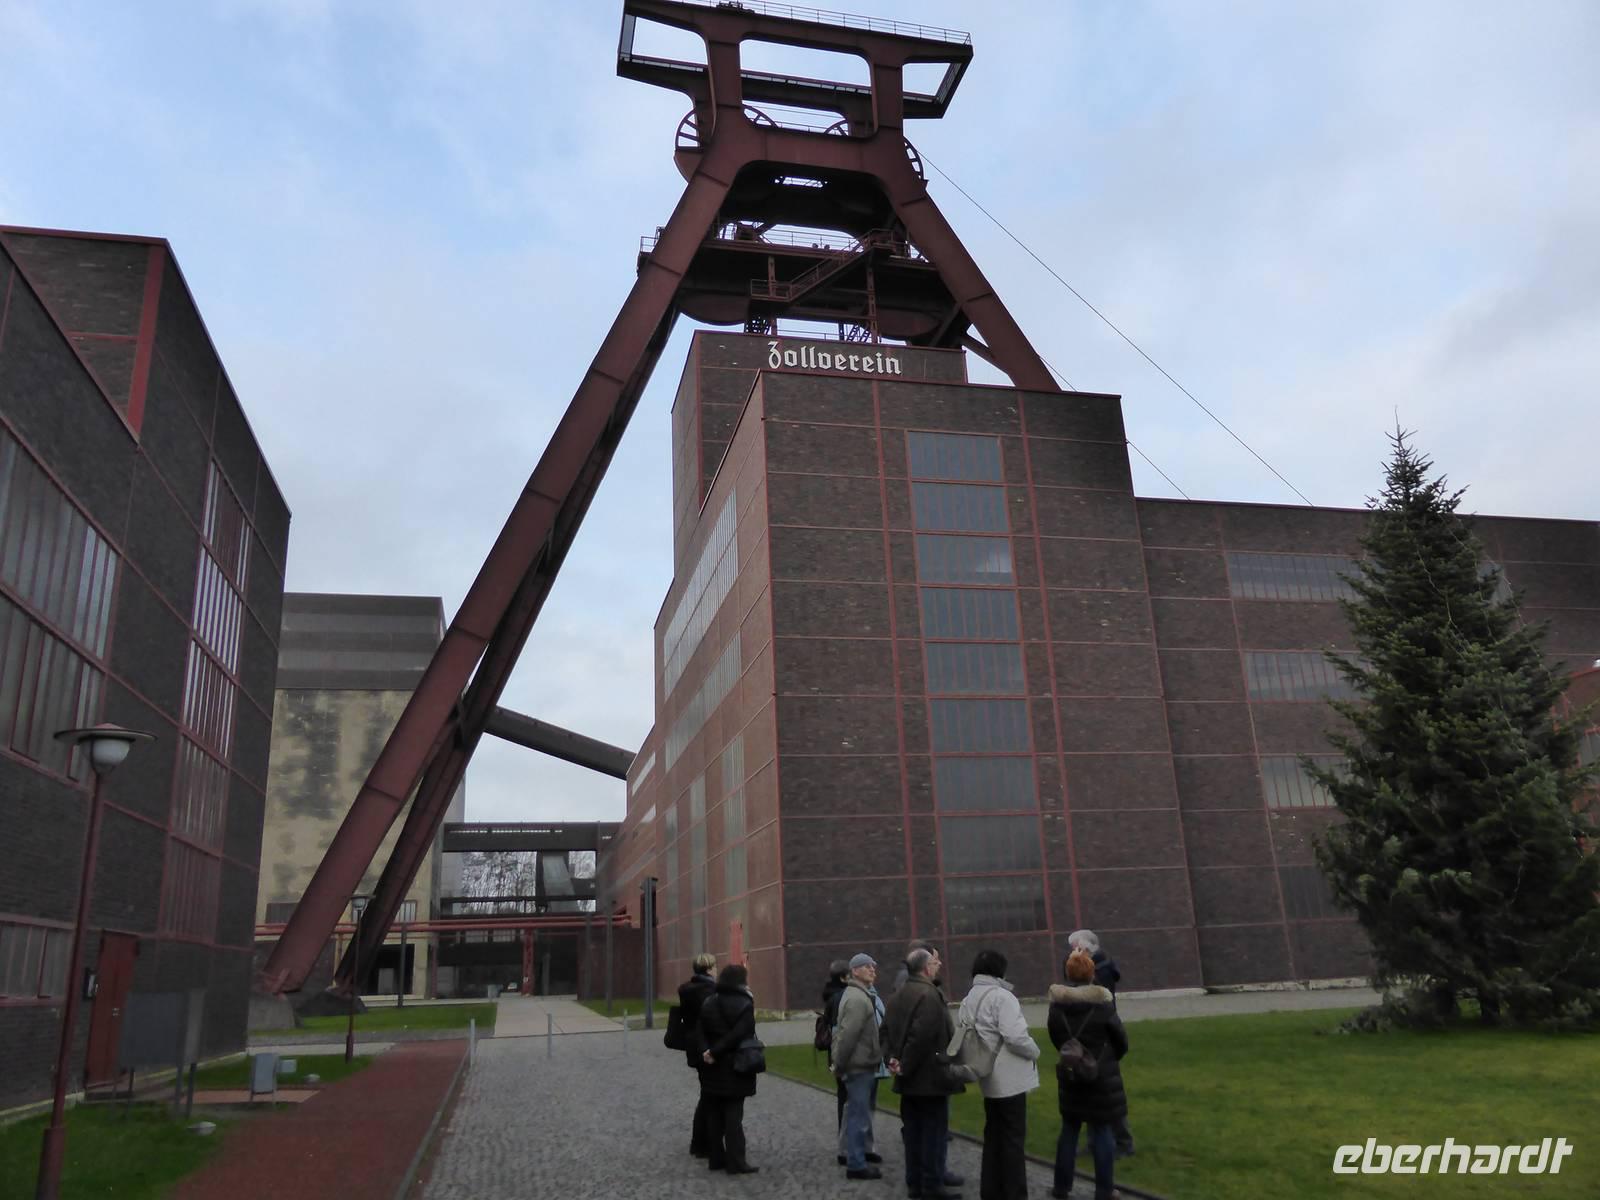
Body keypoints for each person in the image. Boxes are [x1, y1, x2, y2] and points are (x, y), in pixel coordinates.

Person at [1047, 950, 1129, 1200]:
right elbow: (1121, 1040)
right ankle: (1104, 1190)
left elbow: (1056, 1039)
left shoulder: (1057, 1008)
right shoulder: (1103, 1006)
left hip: (1071, 1074)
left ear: (1068, 974)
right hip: (1100, 1076)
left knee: (1069, 1130)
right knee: (1102, 1131)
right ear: (1092, 973)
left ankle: (1062, 1187)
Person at [959, 949, 1039, 1200]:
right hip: (1010, 1078)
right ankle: (1015, 1193)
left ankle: (991, 1191)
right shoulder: (1002, 997)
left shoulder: (968, 998)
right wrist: (1034, 1051)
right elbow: (1015, 1037)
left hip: (986, 1074)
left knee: (993, 1137)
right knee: (1013, 1140)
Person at [885, 946, 964, 1200]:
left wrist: (893, 1061)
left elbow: (884, 1032)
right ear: (925, 967)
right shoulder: (929, 995)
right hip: (929, 1078)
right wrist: (905, 1063)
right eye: (934, 962)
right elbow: (922, 1036)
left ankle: (915, 1183)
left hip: (909, 1079)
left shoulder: (898, 994)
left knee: (914, 1133)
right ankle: (931, 1185)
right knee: (932, 1133)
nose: (938, 965)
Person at [1067, 929, 1132, 1158]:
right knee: (1095, 1098)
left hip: (1101, 1042)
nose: (1072, 953)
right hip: (1097, 1040)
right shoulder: (1101, 968)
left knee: (1109, 1097)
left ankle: (1123, 1143)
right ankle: (1096, 1142)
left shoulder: (1099, 973)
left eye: (1076, 948)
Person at [697, 963, 760, 1175]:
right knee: (734, 1116)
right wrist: (716, 1051)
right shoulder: (744, 1003)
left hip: (711, 1066)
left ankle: (716, 1158)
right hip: (735, 1064)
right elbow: (740, 1034)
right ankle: (736, 1161)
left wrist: (708, 1051)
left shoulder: (709, 1001)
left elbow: (700, 1030)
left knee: (714, 1113)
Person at [832, 952, 887, 1180]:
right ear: (855, 971)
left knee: (859, 1114)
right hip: (858, 1065)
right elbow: (847, 1036)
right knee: (857, 1115)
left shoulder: (860, 994)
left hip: (863, 1063)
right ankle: (855, 1163)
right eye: (867, 966)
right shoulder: (857, 998)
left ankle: (859, 1156)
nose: (872, 969)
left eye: (873, 966)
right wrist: (840, 1064)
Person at [678, 952, 717, 1158]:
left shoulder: (686, 990)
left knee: (706, 1093)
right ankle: (703, 1143)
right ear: (709, 968)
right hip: (707, 1046)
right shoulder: (710, 990)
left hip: (692, 1045)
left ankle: (699, 1142)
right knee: (709, 1095)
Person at [821, 959, 852, 1148]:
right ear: (843, 978)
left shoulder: (831, 997)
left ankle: (845, 1137)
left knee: (843, 1096)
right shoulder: (841, 998)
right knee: (849, 1098)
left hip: (835, 1054)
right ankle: (848, 1141)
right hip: (843, 1054)